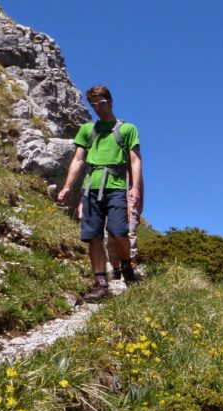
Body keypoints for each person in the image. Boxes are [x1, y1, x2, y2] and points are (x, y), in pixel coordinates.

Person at [58, 85, 144, 301]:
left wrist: (134, 188)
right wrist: (68, 186)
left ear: (110, 101)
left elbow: (134, 160)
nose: (98, 108)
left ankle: (126, 269)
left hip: (116, 187)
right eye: (93, 104)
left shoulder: (127, 129)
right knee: (93, 237)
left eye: (101, 103)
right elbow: (78, 159)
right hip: (91, 188)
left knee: (118, 232)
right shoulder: (87, 130)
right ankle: (100, 283)